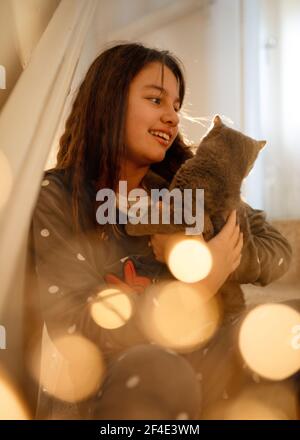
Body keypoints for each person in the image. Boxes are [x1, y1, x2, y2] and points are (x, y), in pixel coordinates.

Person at [25, 42, 292, 419]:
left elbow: (278, 250)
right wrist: (195, 287)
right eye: (156, 100)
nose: (172, 117)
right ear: (108, 102)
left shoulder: (184, 190)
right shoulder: (58, 197)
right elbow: (75, 324)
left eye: (177, 107)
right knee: (159, 367)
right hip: (117, 381)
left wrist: (209, 255)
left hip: (207, 362)